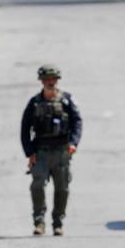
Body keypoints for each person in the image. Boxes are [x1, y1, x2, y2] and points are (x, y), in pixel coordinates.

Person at [21, 65, 82, 236]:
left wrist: (73, 143)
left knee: (62, 188)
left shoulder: (66, 100)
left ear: (57, 80)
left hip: (62, 152)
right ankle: (39, 222)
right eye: (46, 79)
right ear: (41, 81)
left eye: (53, 79)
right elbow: (25, 129)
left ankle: (58, 222)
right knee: (37, 186)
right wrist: (29, 152)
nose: (50, 82)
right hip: (40, 151)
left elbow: (77, 122)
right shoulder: (34, 103)